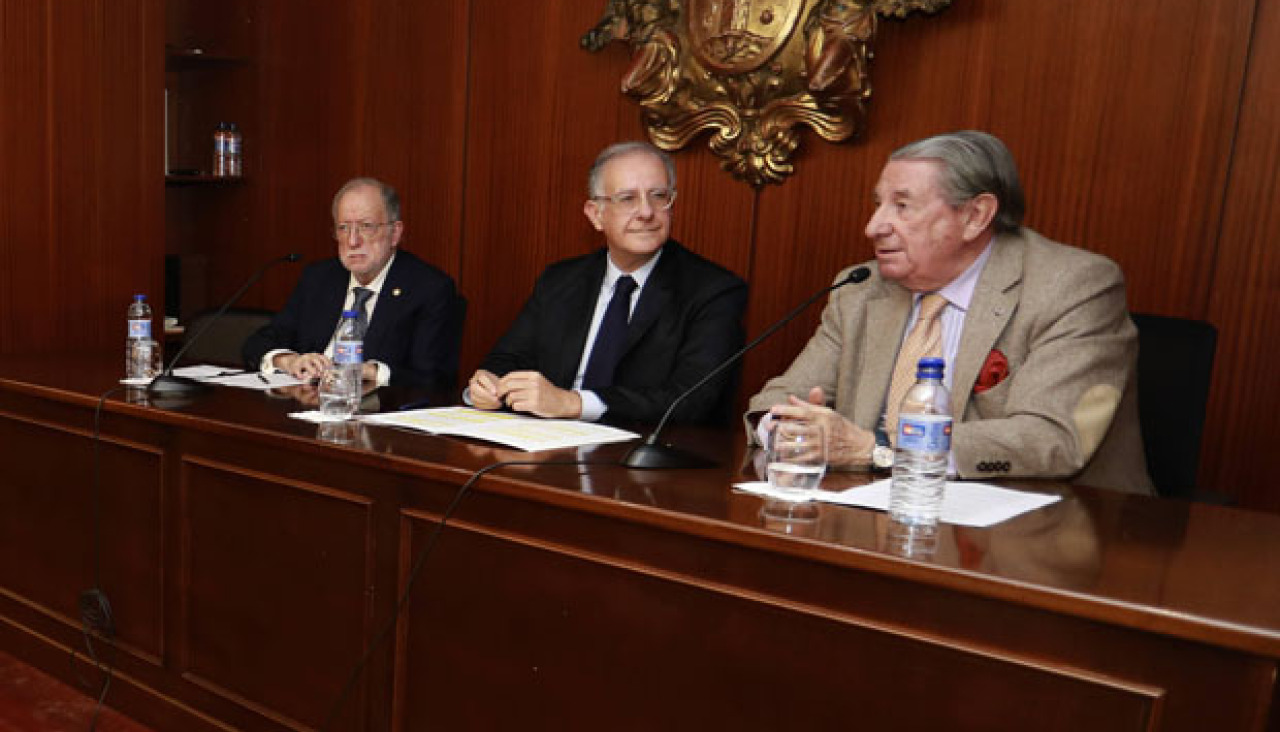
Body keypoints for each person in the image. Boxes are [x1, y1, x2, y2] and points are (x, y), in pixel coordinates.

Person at [747, 130, 1153, 494]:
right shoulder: (861, 289)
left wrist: (879, 450)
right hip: (878, 511)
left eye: (902, 206)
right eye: (878, 204)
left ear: (976, 216)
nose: (873, 227)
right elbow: (778, 399)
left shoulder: (1072, 286)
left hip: (1049, 526)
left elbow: (1054, 438)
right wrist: (788, 430)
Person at [468, 141, 747, 424]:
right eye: (627, 199)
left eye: (659, 196)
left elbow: (691, 399)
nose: (646, 212)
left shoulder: (714, 291)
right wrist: (488, 386)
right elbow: (506, 360)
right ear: (596, 214)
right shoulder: (560, 280)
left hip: (642, 446)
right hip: (548, 440)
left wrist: (574, 403)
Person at [243, 177, 458, 388]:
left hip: (376, 406)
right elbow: (258, 343)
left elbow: (433, 378)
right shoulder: (319, 278)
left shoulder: (429, 289)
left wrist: (368, 372)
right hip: (307, 401)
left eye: (366, 226)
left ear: (395, 233)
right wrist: (289, 361)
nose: (353, 241)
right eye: (343, 228)